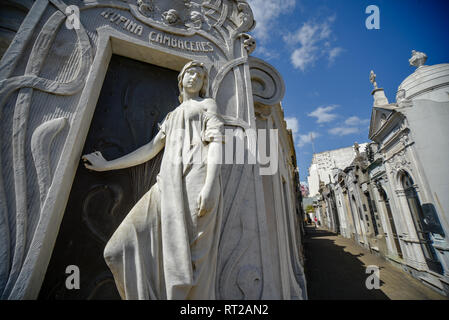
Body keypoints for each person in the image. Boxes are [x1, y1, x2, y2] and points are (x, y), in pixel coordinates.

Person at [82, 61, 224, 300]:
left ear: (204, 84)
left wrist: (210, 186)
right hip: (166, 185)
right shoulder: (171, 116)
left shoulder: (206, 104)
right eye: (189, 72)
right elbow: (150, 149)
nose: (194, 78)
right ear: (180, 79)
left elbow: (217, 143)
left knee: (188, 261)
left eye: (199, 76)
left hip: (196, 181)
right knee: (117, 250)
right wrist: (107, 164)